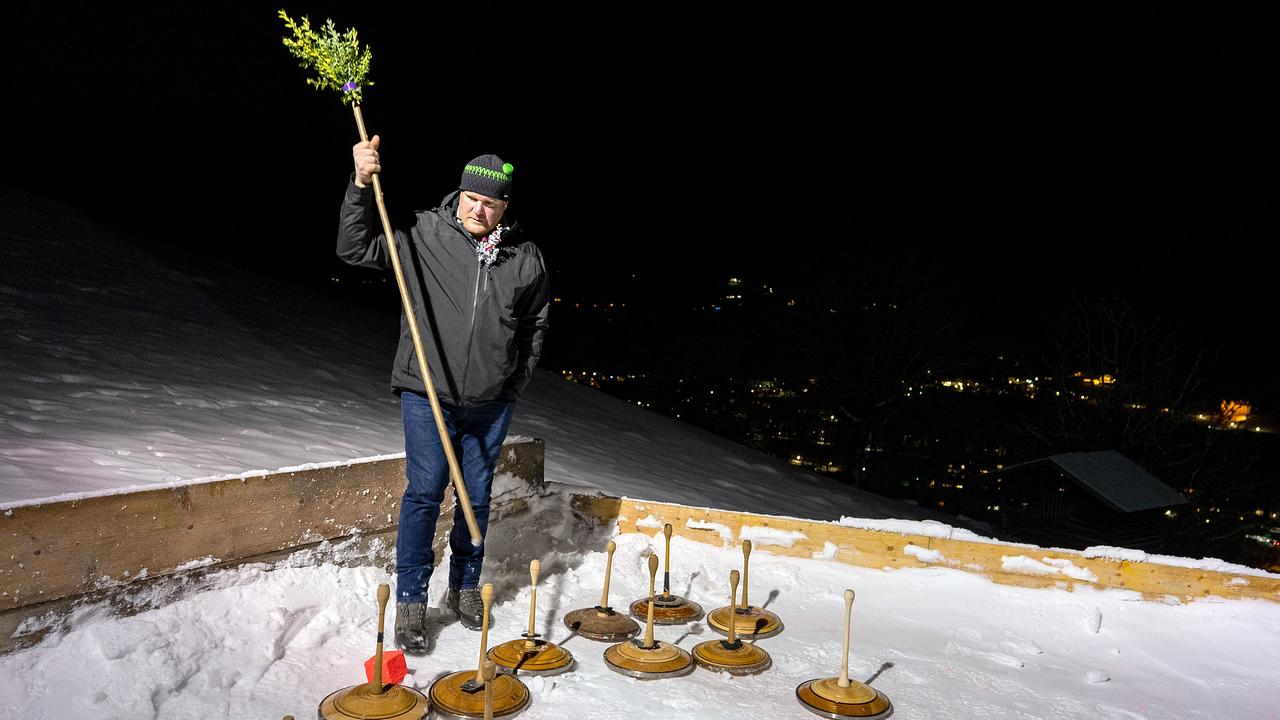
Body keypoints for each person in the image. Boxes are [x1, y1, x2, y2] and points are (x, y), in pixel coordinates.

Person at [337, 135, 549, 652]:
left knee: (475, 497)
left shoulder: (525, 258)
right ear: (459, 195)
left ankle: (464, 588)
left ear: (505, 207)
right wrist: (361, 184)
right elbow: (354, 248)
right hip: (427, 392)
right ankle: (411, 597)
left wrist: (510, 382)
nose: (479, 209)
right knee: (426, 491)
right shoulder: (422, 233)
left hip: (490, 403)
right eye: (472, 198)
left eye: (491, 203)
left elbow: (534, 325)